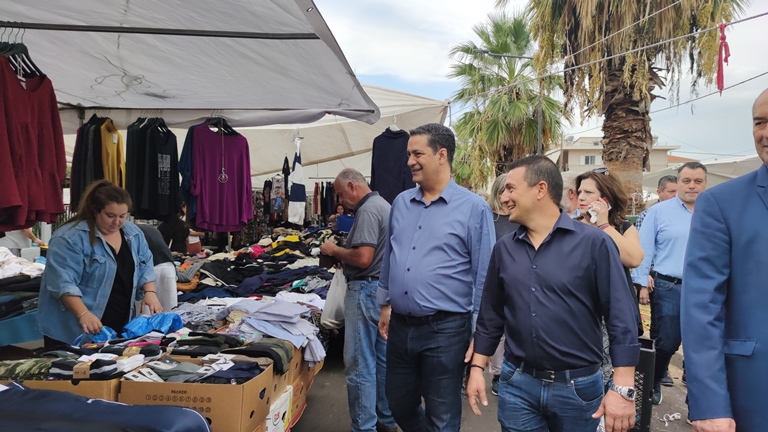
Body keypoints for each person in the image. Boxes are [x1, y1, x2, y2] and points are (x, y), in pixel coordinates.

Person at [467, 156, 640, 432]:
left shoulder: (594, 243)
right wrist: (477, 368)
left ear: (540, 189)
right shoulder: (504, 249)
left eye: (511, 188)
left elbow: (621, 316)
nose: (503, 196)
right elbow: (491, 315)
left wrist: (623, 388)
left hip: (578, 388)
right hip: (517, 384)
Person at [377, 123, 495, 432]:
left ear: (442, 155)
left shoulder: (474, 209)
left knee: (442, 415)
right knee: (398, 402)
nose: (410, 161)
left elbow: (485, 276)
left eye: (417, 154)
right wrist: (385, 304)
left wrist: (479, 333)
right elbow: (390, 256)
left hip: (447, 330)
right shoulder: (401, 203)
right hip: (401, 326)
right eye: (408, 154)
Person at [681, 89, 768, 432]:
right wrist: (710, 405)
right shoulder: (722, 203)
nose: (765, 133)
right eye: (760, 122)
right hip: (755, 394)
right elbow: (702, 308)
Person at [37, 180, 162, 347]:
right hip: (73, 330)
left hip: (118, 326)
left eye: (122, 216)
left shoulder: (133, 234)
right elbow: (62, 282)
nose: (117, 222)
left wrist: (150, 291)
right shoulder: (69, 238)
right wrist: (83, 313)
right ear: (95, 210)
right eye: (110, 216)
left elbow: (145, 262)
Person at [319, 168, 396, 432]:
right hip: (381, 291)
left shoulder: (368, 210)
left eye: (341, 194)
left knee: (360, 364)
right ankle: (386, 420)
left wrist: (335, 250)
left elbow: (363, 258)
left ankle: (365, 427)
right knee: (381, 361)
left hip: (365, 290)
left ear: (352, 186)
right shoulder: (384, 206)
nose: (340, 201)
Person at [634, 161, 708, 405]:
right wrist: (642, 283)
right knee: (667, 341)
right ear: (679, 183)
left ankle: (697, 401)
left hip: (706, 289)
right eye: (686, 181)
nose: (692, 185)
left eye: (698, 181)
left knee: (702, 345)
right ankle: (654, 381)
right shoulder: (659, 212)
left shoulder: (714, 211)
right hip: (669, 287)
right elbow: (644, 247)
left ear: (705, 184)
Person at [634, 174, 678, 387]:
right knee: (661, 331)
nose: (675, 195)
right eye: (671, 191)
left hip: (685, 281)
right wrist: (644, 277)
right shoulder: (650, 214)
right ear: (659, 193)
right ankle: (656, 374)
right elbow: (643, 247)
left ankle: (663, 371)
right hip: (659, 278)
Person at [486, 174, 520, 396]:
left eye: (510, 190)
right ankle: (498, 374)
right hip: (493, 279)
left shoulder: (519, 218)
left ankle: (511, 370)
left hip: (516, 280)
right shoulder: (489, 217)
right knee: (496, 330)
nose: (505, 196)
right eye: (502, 191)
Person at [137, 224, 179, 312]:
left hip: (150, 269)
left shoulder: (130, 231)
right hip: (168, 266)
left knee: (147, 310)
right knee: (169, 309)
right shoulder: (152, 229)